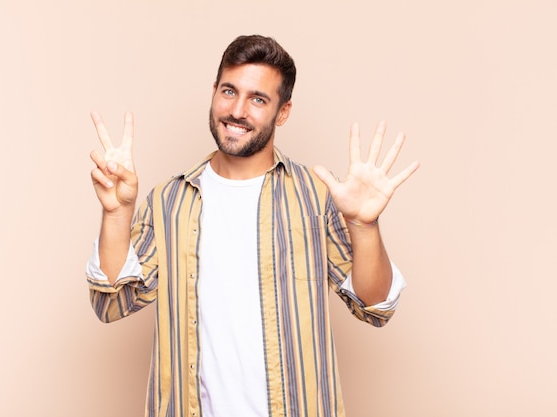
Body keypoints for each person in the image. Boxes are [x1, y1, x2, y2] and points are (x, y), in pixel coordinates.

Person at [86, 34, 419, 417]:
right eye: (229, 91)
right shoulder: (169, 200)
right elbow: (111, 302)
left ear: (283, 112)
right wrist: (115, 215)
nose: (238, 110)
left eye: (258, 99)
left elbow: (375, 307)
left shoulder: (316, 197)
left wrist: (365, 225)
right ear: (214, 92)